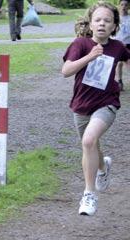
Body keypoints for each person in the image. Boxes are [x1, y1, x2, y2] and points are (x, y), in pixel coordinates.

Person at [62, 2, 130, 216]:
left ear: (114, 26)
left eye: (107, 21)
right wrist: (90, 56)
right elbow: (66, 71)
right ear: (91, 24)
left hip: (107, 104)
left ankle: (89, 194)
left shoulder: (118, 47)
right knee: (91, 146)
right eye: (98, 20)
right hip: (81, 106)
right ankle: (103, 166)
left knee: (89, 141)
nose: (102, 24)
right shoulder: (80, 44)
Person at [115, 0, 130, 91]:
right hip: (117, 43)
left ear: (129, 7)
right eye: (122, 5)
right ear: (119, 6)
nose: (124, 7)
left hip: (128, 43)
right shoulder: (116, 18)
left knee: (128, 62)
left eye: (126, 5)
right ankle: (119, 82)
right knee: (119, 63)